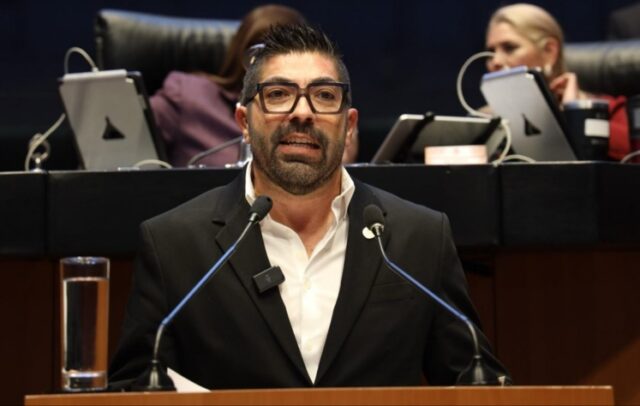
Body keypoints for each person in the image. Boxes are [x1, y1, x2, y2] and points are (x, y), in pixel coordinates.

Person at [109, 23, 509, 390]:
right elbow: (136, 387)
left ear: (349, 125)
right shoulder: (173, 243)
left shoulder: (418, 238)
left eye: (324, 96)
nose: (302, 112)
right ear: (244, 122)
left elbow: (475, 382)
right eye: (278, 95)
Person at [150, 5, 306, 167]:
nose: (269, 66)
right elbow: (135, 134)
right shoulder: (188, 95)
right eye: (260, 53)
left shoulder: (308, 117)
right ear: (241, 54)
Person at [485, 3, 631, 160]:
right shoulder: (487, 118)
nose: (495, 61)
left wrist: (575, 116)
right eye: (491, 51)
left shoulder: (607, 110)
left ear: (549, 51)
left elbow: (633, 150)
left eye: (509, 48)